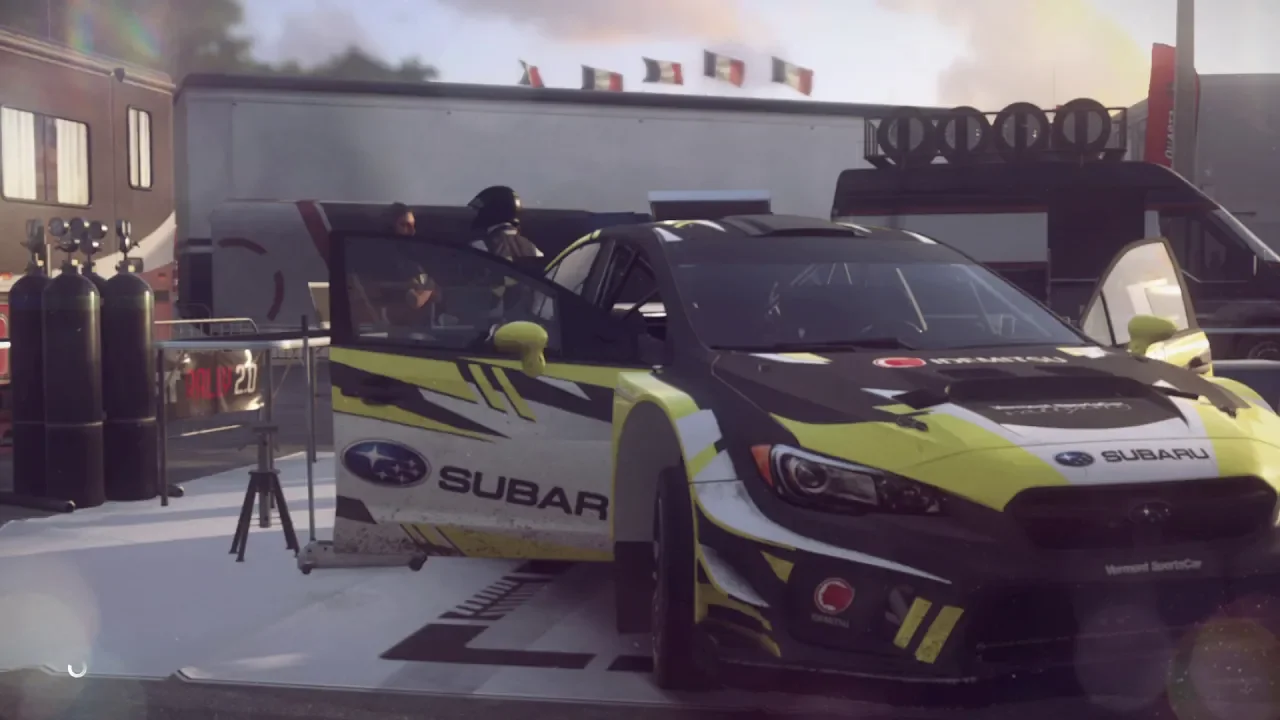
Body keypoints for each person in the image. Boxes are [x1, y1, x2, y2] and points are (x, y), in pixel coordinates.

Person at [467, 186, 543, 262]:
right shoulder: (533, 249)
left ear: (490, 211)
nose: (476, 214)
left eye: (479, 211)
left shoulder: (479, 247)